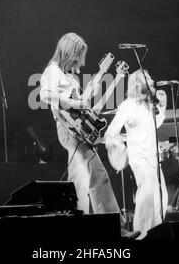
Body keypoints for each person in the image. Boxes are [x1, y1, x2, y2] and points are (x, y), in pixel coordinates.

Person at [39, 33, 138, 238]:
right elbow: (45, 95)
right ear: (71, 53)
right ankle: (114, 230)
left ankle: (83, 230)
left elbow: (84, 100)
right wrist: (73, 103)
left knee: (80, 183)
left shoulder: (70, 77)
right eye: (79, 56)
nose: (81, 63)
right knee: (98, 177)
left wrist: (105, 77)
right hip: (68, 129)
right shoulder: (53, 71)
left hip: (77, 130)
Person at [104, 69, 168, 240]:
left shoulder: (148, 104)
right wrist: (119, 150)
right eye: (148, 78)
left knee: (160, 198)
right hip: (139, 158)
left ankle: (155, 233)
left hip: (153, 157)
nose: (153, 81)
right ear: (138, 83)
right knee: (147, 195)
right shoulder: (127, 105)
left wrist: (162, 106)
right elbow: (111, 132)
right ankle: (142, 235)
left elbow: (157, 123)